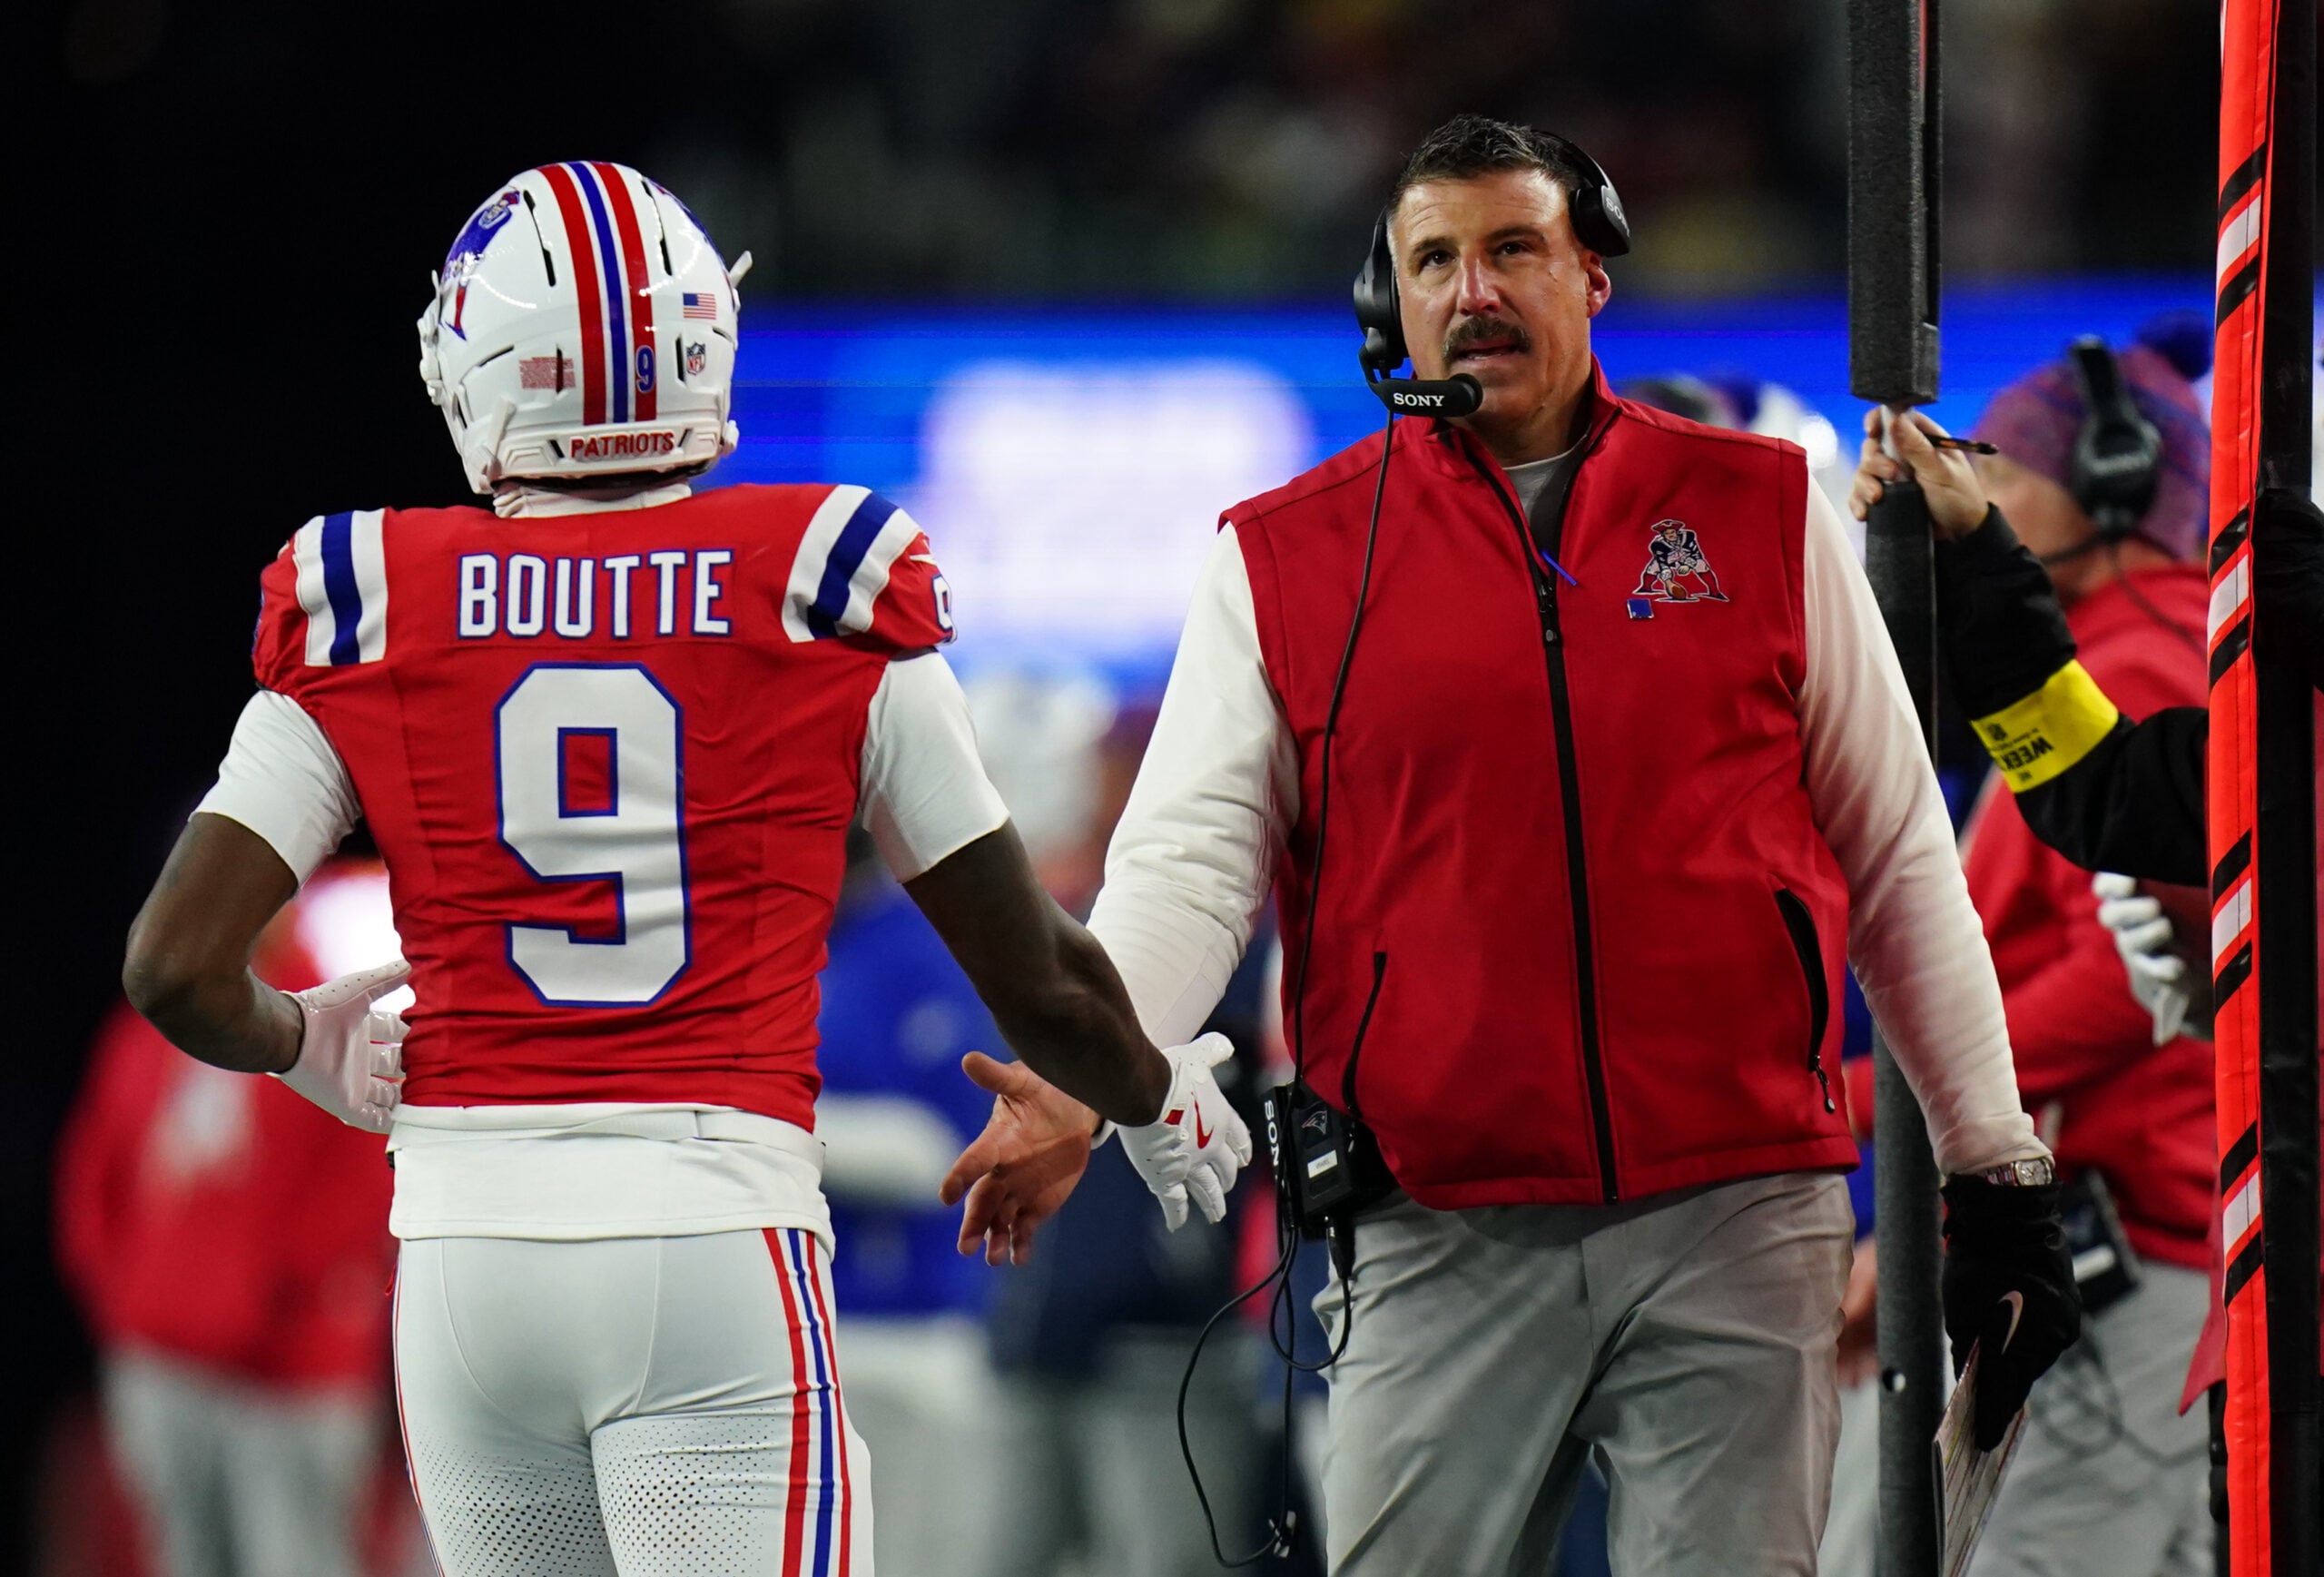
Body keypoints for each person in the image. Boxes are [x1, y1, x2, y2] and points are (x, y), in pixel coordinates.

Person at [944, 113, 2079, 1576]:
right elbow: (1186, 873)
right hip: (1436, 1223)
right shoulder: (1284, 557)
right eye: (1433, 259)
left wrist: (1995, 1164)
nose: (1472, 289)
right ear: (1392, 303)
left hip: (1733, 1208)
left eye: (1512, 249)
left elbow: (1900, 855)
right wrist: (1085, 1084)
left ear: (1590, 276)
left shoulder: (1763, 511)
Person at [116, 162, 1251, 1577]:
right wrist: (1156, 1101)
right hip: (715, 1237)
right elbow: (1043, 978)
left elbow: (173, 968)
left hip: (467, 1259)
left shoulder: (371, 600)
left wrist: (300, 1039)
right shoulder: (821, 579)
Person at [1853, 332, 2221, 1577]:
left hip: (2129, 1258)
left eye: (2008, 465)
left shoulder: (2139, 654)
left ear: (2114, 478)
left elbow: (2135, 970)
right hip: (2120, 1248)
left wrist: (1898, 1105)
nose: (1983, 485)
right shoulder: (2128, 649)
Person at [57, 868, 396, 1577]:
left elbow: (361, 1194)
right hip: (163, 1359)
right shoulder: (151, 1023)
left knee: (298, 1562)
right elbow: (95, 1174)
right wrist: (131, 1301)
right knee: (183, 1560)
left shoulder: (334, 1026)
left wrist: (263, 1294)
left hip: (290, 1367)